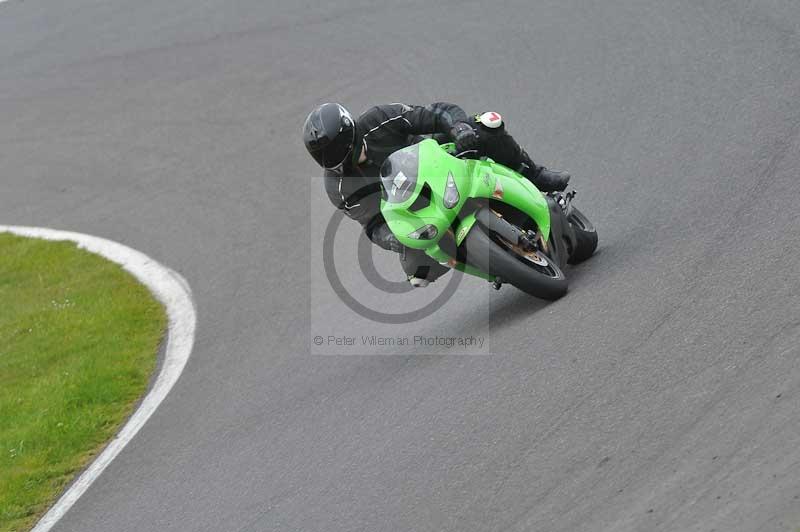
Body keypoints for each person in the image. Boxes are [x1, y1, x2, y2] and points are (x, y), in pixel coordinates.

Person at [303, 102, 570, 286]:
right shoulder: (337, 187)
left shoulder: (378, 119)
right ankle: (493, 266)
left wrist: (458, 128)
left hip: (441, 165)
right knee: (417, 272)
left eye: (337, 149)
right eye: (325, 156)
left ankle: (534, 174)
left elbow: (433, 112)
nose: (336, 160)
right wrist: (393, 238)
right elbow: (372, 225)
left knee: (486, 123)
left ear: (350, 131)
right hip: (419, 213)